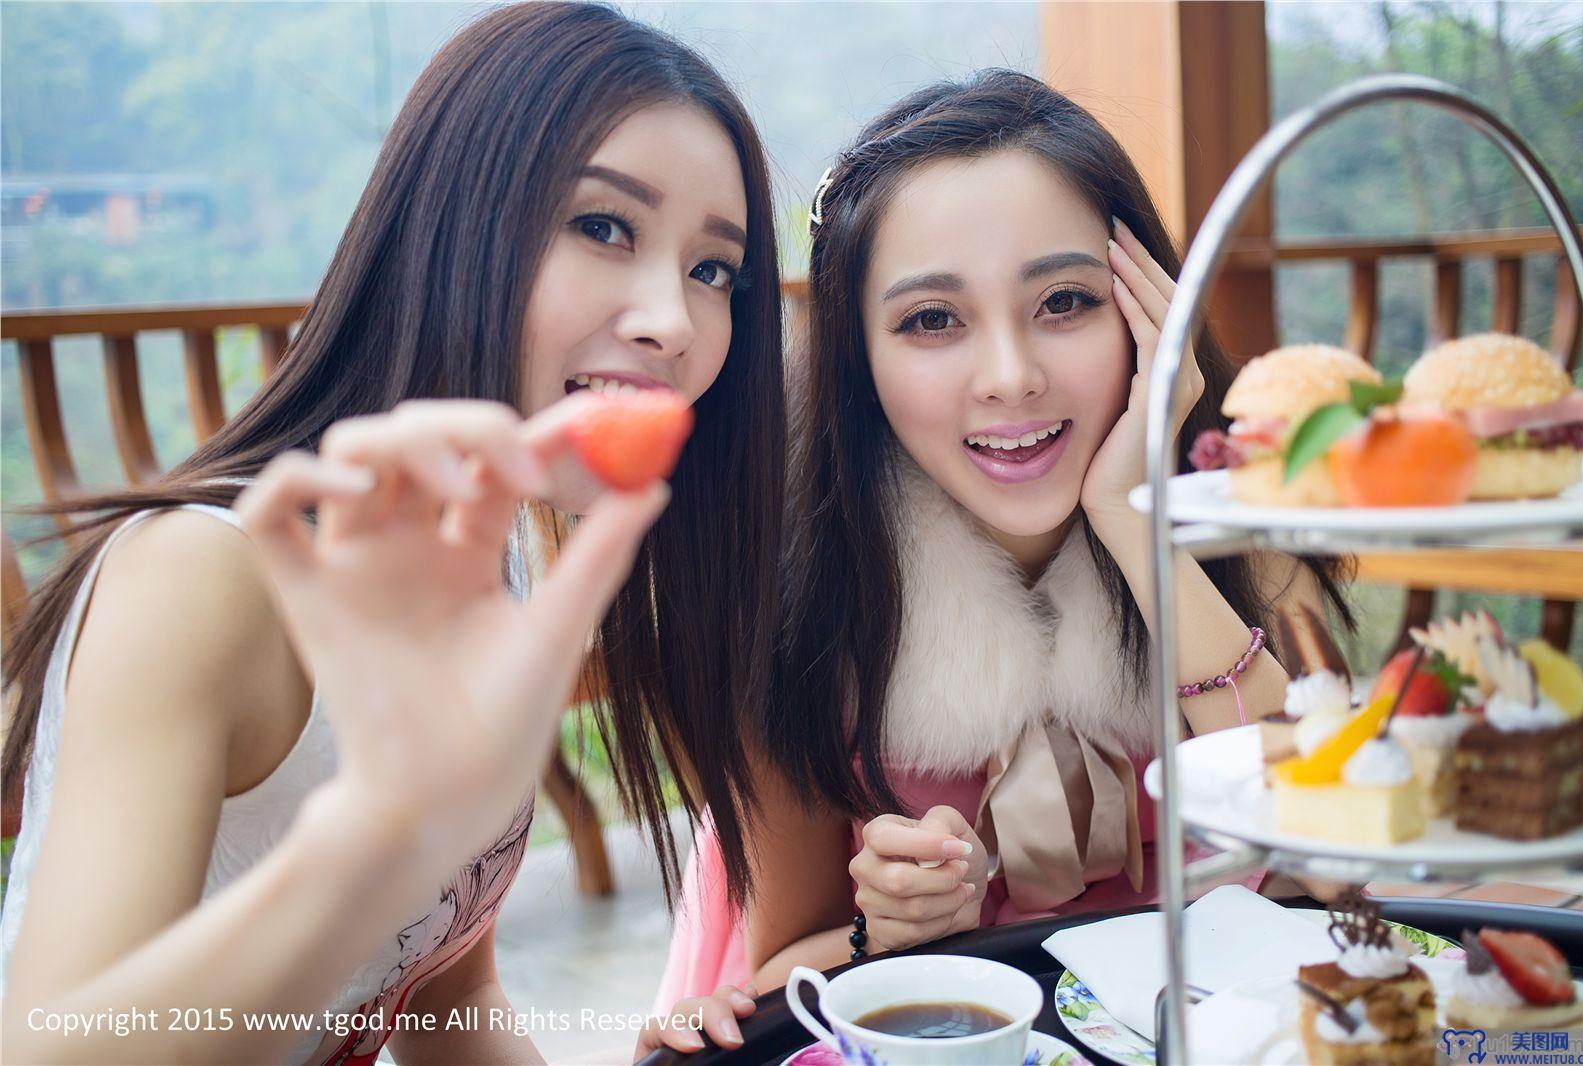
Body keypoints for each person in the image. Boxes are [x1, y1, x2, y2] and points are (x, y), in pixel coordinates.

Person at [1, 4, 782, 1060]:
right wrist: (376, 834)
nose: (675, 321)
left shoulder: (478, 558)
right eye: (603, 226)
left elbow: (444, 1001)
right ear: (452, 223)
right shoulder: (200, 578)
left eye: (713, 269)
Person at [654, 69, 1349, 1009]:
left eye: (1064, 302)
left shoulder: (1236, 518)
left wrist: (1140, 528)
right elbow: (777, 968)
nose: (1011, 377)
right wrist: (886, 931)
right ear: (859, 359)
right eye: (932, 320)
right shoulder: (800, 597)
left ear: (1149, 311)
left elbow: (1335, 867)